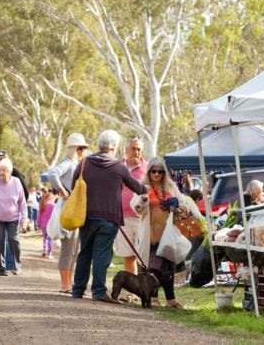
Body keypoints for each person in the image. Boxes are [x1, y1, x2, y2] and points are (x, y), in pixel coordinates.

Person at [71, 129, 147, 303]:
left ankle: (77, 289)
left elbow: (73, 185)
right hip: (109, 218)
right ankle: (98, 292)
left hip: (87, 216)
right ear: (114, 147)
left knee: (85, 253)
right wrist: (150, 189)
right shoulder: (119, 166)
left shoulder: (84, 163)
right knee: (101, 254)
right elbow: (137, 187)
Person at [131, 156, 200, 309]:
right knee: (152, 269)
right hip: (149, 236)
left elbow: (184, 206)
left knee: (168, 269)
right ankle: (153, 298)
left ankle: (171, 300)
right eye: (153, 171)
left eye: (160, 172)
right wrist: (142, 200)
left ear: (164, 173)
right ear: (149, 172)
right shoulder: (143, 186)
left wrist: (176, 204)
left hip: (167, 235)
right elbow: (136, 209)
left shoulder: (170, 186)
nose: (156, 174)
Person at [44, 131, 89, 294]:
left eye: (84, 148)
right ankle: (65, 283)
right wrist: (62, 190)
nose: (83, 151)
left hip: (74, 209)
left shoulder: (76, 164)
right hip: (68, 209)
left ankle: (68, 282)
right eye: (80, 148)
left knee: (74, 249)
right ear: (73, 149)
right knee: (68, 248)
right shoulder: (68, 163)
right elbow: (52, 173)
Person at [0, 158, 27, 276]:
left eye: (4, 170)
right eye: (0, 170)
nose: (2, 172)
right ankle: (1, 268)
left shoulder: (17, 182)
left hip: (13, 217)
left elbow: (22, 202)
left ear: (10, 171)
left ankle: (17, 266)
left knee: (14, 239)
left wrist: (24, 220)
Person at [115, 135, 148, 275]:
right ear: (126, 149)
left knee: (144, 256)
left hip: (142, 218)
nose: (136, 152)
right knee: (128, 256)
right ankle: (131, 292)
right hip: (122, 219)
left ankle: (146, 290)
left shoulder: (148, 168)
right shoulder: (117, 167)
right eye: (133, 149)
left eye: (139, 149)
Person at [37, 188, 56, 259]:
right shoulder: (54, 206)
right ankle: (49, 253)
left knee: (45, 238)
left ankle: (45, 250)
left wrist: (38, 225)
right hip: (51, 225)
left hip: (43, 225)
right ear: (52, 199)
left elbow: (39, 217)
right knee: (50, 239)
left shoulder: (42, 205)